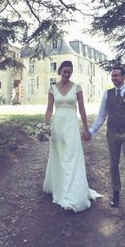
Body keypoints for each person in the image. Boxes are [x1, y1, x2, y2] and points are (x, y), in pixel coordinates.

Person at [85, 66, 125, 222]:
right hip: (112, 133)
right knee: (113, 166)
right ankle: (116, 193)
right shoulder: (107, 94)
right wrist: (91, 131)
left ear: (123, 77)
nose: (114, 78)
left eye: (116, 76)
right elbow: (101, 116)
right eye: (112, 76)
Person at [43, 60, 101, 212]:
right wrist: (45, 126)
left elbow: (82, 110)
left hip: (71, 127)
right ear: (60, 71)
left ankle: (70, 197)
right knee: (59, 157)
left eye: (69, 72)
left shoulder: (77, 88)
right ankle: (59, 188)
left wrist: (87, 130)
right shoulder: (52, 88)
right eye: (65, 72)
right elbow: (49, 109)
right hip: (57, 126)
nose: (67, 74)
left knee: (71, 158)